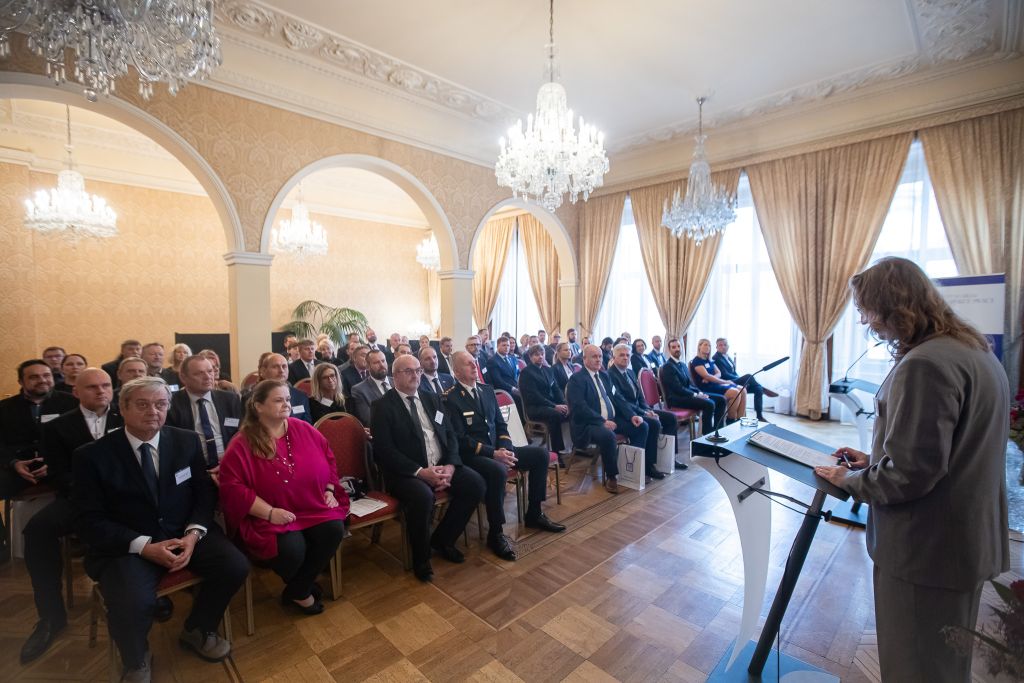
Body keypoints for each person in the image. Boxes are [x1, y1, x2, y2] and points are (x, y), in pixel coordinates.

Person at [811, 258, 1010, 683]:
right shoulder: (973, 350)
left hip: (927, 549)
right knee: (945, 665)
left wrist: (850, 480)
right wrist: (874, 459)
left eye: (867, 310)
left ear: (892, 307)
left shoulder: (925, 363)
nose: (865, 322)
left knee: (915, 666)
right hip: (963, 542)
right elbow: (950, 450)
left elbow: (911, 474)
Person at [72, 377, 250, 680]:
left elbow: (203, 493)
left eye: (160, 404)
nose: (153, 411)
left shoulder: (185, 440)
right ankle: (136, 657)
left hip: (183, 532)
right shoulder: (92, 456)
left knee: (235, 566)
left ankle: (198, 628)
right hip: (127, 544)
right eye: (142, 404)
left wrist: (193, 534)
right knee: (132, 601)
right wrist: (143, 546)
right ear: (122, 408)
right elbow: (88, 520)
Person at [19, 368, 124, 662]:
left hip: (126, 496)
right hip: (79, 498)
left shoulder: (125, 417)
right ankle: (50, 616)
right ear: (76, 392)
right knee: (37, 530)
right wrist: (92, 491)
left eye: (106, 385)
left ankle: (153, 592)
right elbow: (58, 473)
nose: (101, 391)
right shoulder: (58, 426)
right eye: (92, 387)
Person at [219, 380, 347, 615]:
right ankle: (302, 588)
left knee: (333, 530)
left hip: (312, 504)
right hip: (271, 514)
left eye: (288, 399)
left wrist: (329, 490)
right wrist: (270, 513)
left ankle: (298, 590)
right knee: (292, 550)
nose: (286, 404)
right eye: (278, 400)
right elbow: (232, 487)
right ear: (258, 406)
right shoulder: (242, 442)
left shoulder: (304, 428)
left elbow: (328, 457)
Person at [371, 354, 485, 581]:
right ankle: (421, 559)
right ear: (395, 376)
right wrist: (420, 472)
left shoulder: (432, 399)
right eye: (409, 371)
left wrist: (450, 465)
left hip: (441, 465)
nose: (415, 375)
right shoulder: (382, 406)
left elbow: (450, 435)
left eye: (418, 370)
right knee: (423, 497)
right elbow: (384, 450)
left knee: (475, 484)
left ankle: (443, 540)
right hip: (407, 473)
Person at [445, 351, 564, 560]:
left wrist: (505, 448)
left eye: (474, 362)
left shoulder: (486, 390)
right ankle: (496, 532)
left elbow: (501, 425)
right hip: (474, 455)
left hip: (498, 449)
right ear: (456, 371)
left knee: (540, 455)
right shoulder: (450, 398)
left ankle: (534, 513)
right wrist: (494, 453)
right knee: (497, 470)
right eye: (467, 364)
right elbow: (460, 439)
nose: (474, 366)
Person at [0, 360, 79, 560]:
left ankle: (78, 541)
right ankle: (2, 549)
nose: (42, 380)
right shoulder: (5, 408)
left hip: (59, 467)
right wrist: (13, 463)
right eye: (34, 377)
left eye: (46, 375)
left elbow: (79, 440)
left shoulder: (71, 403)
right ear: (21, 381)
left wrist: (53, 463)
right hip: (19, 469)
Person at [565, 345, 648, 494]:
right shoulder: (576, 379)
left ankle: (632, 469)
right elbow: (580, 408)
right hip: (588, 424)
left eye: (600, 356)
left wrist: (631, 415)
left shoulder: (604, 376)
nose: (598, 359)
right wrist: (602, 421)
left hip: (611, 420)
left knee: (642, 426)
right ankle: (612, 476)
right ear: (584, 359)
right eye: (594, 356)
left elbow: (618, 398)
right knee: (608, 435)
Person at [609, 344, 678, 478]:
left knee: (670, 418)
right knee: (653, 423)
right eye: (621, 355)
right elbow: (622, 402)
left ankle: (669, 459)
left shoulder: (630, 372)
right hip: (624, 414)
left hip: (639, 410)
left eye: (627, 355)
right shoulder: (611, 375)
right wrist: (644, 412)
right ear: (614, 357)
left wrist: (647, 409)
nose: (625, 358)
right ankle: (648, 465)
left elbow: (640, 396)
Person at [166, 356, 242, 472]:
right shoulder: (171, 404)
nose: (207, 377)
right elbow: (172, 444)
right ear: (183, 377)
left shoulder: (230, 400)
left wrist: (227, 463)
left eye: (210, 371)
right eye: (199, 373)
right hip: (191, 469)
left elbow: (241, 435)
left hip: (229, 465)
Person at [660, 338, 724, 435]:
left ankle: (717, 430)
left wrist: (700, 393)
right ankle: (707, 434)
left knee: (721, 400)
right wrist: (696, 395)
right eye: (674, 347)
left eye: (678, 346)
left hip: (687, 394)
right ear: (669, 350)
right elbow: (677, 388)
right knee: (709, 404)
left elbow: (691, 384)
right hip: (677, 399)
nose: (677, 349)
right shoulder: (668, 366)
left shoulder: (682, 364)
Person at [517, 344, 569, 455]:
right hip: (535, 407)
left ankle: (571, 447)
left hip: (549, 404)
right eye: (537, 355)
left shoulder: (548, 370)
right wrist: (554, 406)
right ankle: (556, 451)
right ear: (530, 357)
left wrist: (564, 403)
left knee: (570, 411)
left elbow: (556, 389)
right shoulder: (526, 373)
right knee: (556, 415)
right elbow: (534, 396)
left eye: (542, 354)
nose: (540, 357)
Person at [712, 338, 777, 422]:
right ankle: (764, 389)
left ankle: (759, 416)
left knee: (758, 389)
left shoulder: (728, 357)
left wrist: (742, 381)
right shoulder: (716, 358)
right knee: (748, 376)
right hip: (727, 383)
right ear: (716, 347)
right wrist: (740, 379)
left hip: (736, 381)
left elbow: (734, 372)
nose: (723, 347)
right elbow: (724, 375)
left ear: (728, 346)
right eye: (720, 345)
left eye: (725, 345)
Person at [690, 338, 747, 422]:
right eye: (705, 345)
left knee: (743, 390)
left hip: (714, 384)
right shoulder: (697, 361)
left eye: (709, 345)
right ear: (699, 347)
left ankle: (740, 419)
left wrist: (711, 377)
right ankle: (730, 420)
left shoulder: (709, 360)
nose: (708, 347)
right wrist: (725, 381)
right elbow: (707, 376)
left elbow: (719, 373)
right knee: (735, 393)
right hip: (706, 388)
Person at [256, 354, 312, 424]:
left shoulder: (300, 396)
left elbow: (307, 425)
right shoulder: (252, 397)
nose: (281, 370)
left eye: (284, 366)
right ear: (263, 371)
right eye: (275, 367)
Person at [348, 349, 391, 426]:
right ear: (367, 367)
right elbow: (370, 420)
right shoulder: (359, 390)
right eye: (376, 362)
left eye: (383, 361)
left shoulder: (398, 382)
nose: (382, 365)